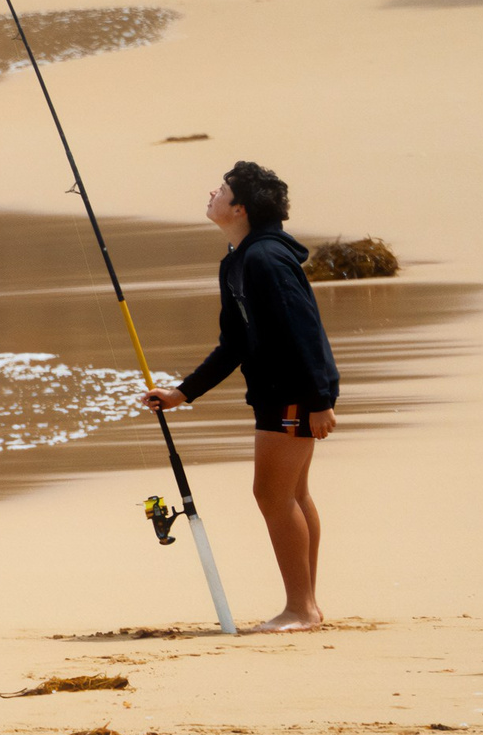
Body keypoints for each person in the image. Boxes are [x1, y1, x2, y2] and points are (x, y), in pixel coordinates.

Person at [138, 161, 340, 632]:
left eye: (223, 189)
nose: (213, 192)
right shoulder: (238, 260)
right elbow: (235, 343)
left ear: (241, 207)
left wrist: (319, 400)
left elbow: (303, 329)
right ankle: (306, 603)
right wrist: (182, 393)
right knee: (291, 493)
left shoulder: (264, 260)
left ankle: (301, 608)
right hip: (281, 391)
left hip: (292, 392)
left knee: (272, 494)